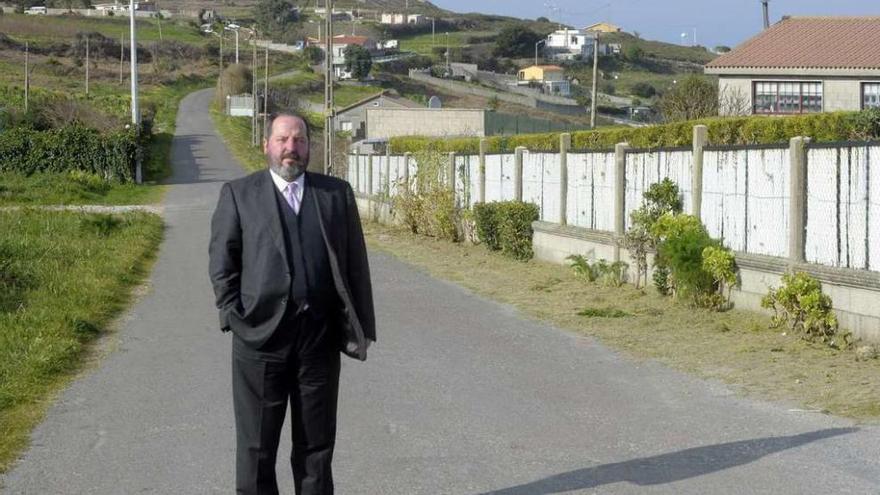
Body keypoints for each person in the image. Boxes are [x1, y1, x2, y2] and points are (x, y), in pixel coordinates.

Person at [208, 111, 375, 495]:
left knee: (316, 446)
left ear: (309, 147)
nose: (291, 149)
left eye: (299, 140)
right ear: (267, 144)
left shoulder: (335, 195)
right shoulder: (238, 194)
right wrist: (235, 316)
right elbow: (222, 263)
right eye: (283, 140)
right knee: (256, 448)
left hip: (318, 341)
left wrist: (360, 324)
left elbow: (355, 264)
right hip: (260, 343)